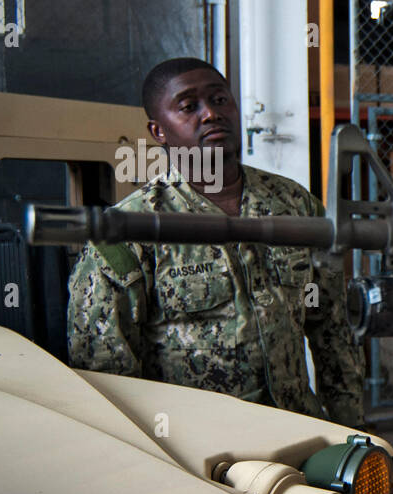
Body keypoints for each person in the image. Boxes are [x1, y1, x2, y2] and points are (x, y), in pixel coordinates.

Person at [67, 58, 365, 426]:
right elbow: (106, 373)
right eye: (189, 106)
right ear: (158, 131)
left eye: (220, 100)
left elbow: (332, 331)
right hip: (196, 449)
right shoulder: (130, 231)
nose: (211, 114)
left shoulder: (295, 206)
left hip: (296, 429)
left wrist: (353, 432)